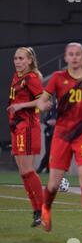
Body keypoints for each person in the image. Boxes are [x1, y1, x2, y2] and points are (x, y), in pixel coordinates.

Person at [36, 43, 82, 240]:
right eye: (71, 54)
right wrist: (45, 105)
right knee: (53, 184)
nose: (75, 57)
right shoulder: (57, 78)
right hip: (62, 135)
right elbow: (42, 101)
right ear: (66, 57)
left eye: (78, 54)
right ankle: (46, 207)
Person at [6, 47, 44, 227]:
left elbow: (43, 101)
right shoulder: (17, 77)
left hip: (28, 128)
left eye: (21, 58)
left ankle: (42, 209)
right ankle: (36, 210)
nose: (17, 61)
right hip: (17, 128)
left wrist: (21, 106)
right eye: (15, 58)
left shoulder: (31, 78)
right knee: (22, 173)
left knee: (28, 170)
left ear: (29, 61)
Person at [37, 102, 57, 174]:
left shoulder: (63, 107)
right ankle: (46, 167)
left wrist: (56, 122)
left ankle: (43, 168)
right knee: (48, 151)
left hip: (57, 133)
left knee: (52, 152)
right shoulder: (52, 108)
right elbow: (45, 120)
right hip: (48, 133)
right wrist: (48, 122)